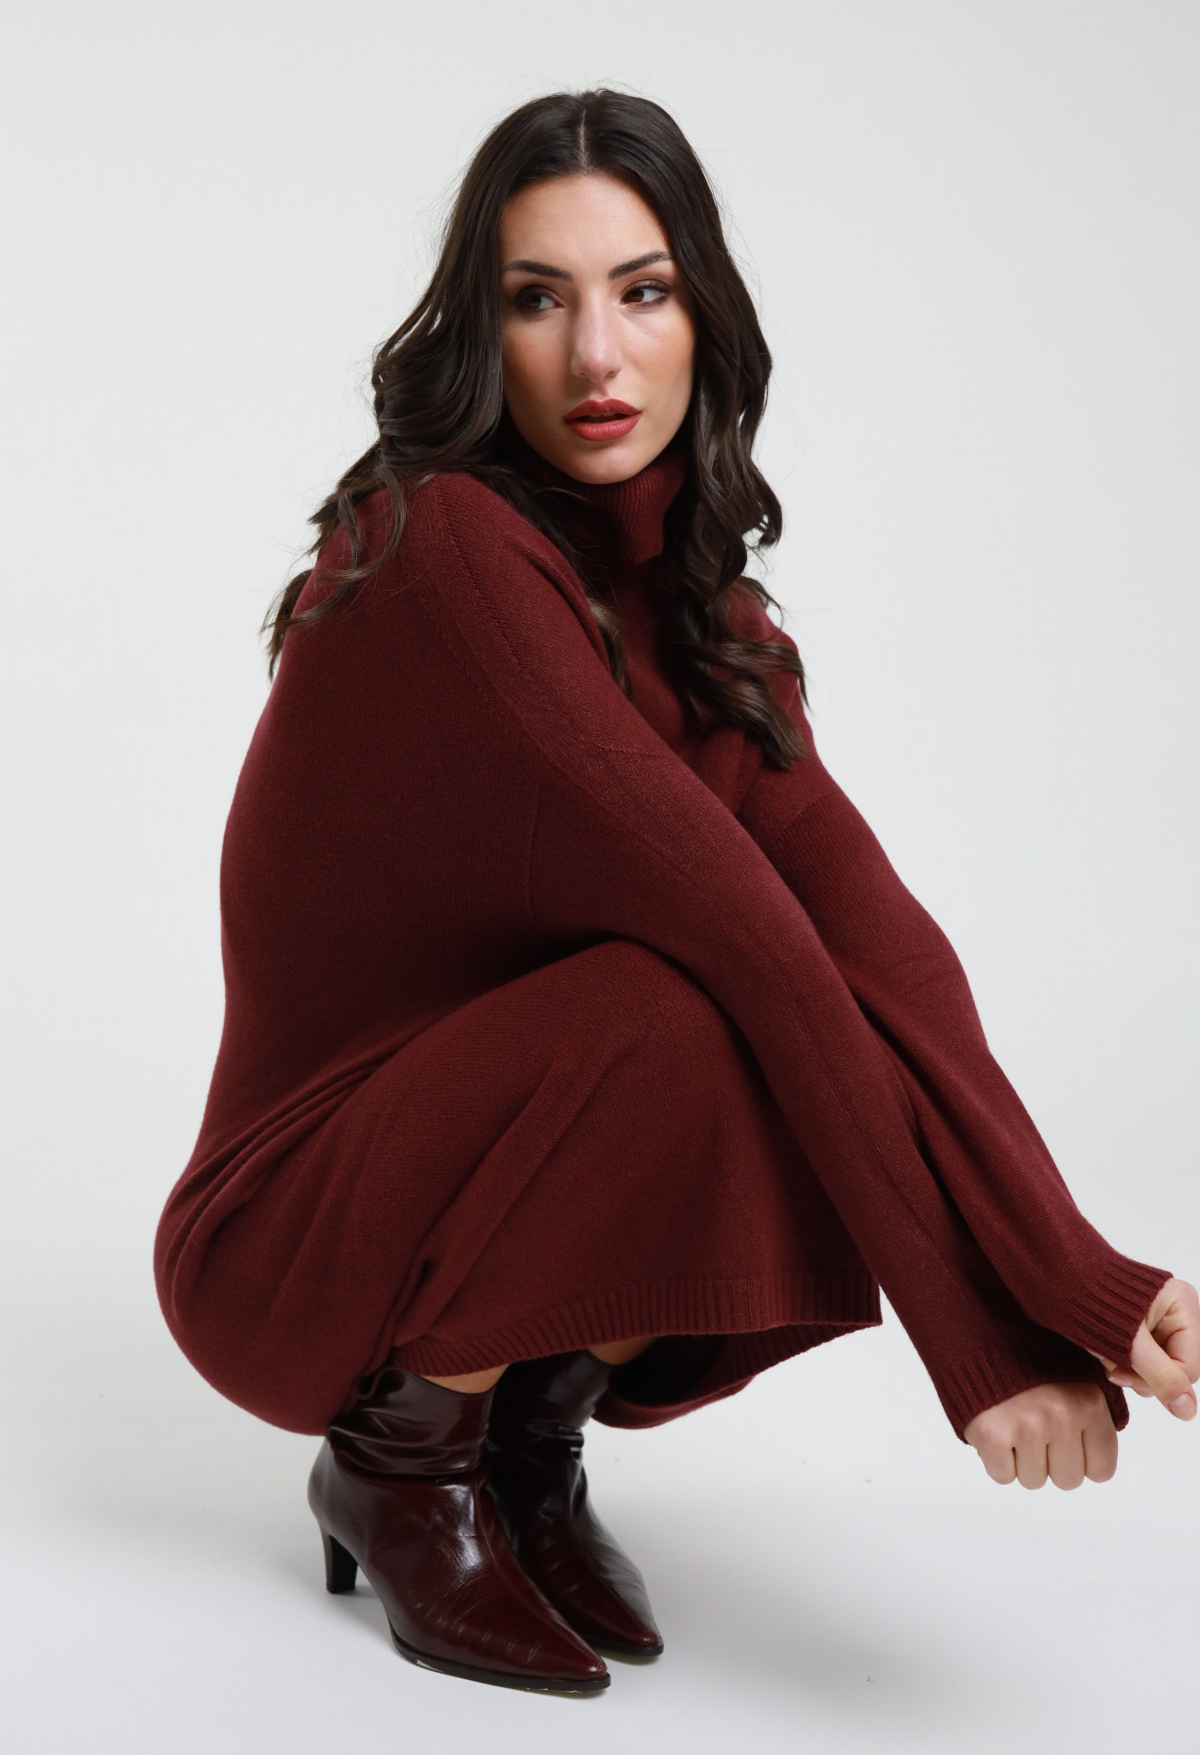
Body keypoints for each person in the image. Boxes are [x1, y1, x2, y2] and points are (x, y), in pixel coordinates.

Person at [153, 88, 1200, 1696]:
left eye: (641, 291)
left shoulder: (709, 622)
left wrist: (1082, 1280)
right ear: (480, 334)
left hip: (458, 1171)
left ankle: (526, 1444)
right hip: (287, 1239)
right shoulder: (448, 554)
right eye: (537, 299)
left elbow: (888, 956)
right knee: (699, 1001)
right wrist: (979, 1342)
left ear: (703, 315)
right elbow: (756, 949)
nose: (597, 355)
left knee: (794, 1011)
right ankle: (402, 1459)